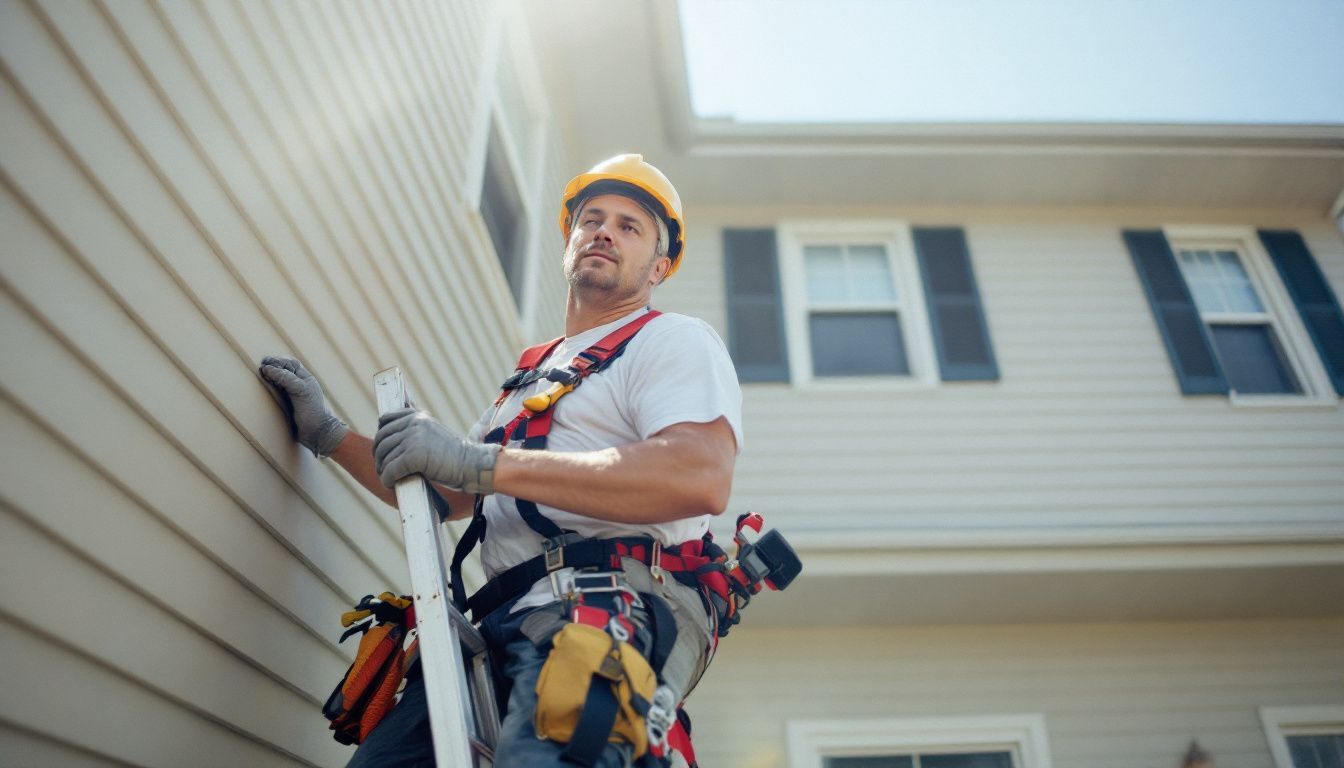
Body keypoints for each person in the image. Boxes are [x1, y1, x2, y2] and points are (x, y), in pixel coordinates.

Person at [259, 154, 742, 767]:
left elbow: (697, 476)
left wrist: (482, 461)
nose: (604, 232)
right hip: (494, 635)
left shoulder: (672, 340)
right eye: (591, 218)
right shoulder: (534, 373)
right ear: (568, 240)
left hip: (600, 613)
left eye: (630, 226)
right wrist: (328, 434)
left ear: (660, 265)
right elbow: (447, 497)